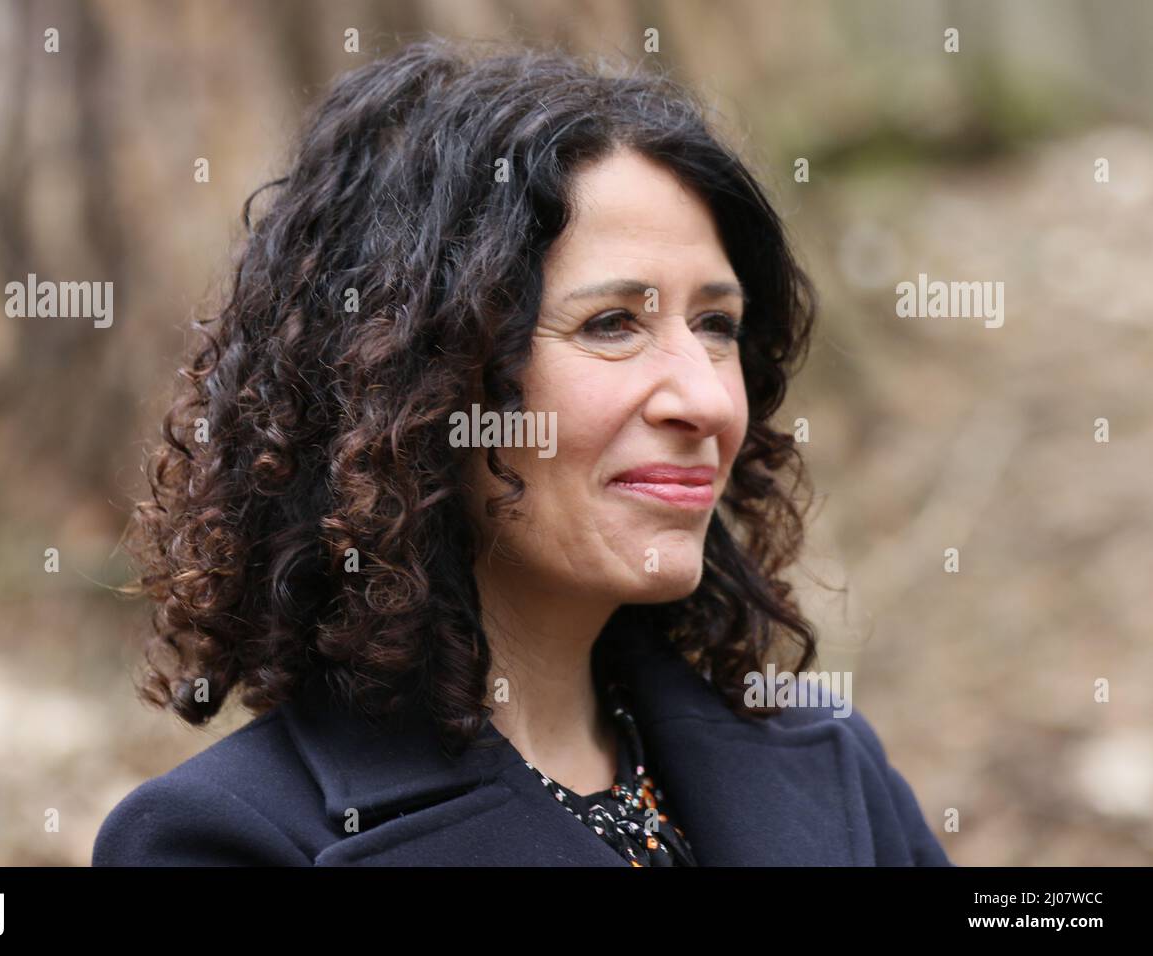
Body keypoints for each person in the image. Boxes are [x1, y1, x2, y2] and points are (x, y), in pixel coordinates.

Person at [93, 37, 953, 867]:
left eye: (716, 325)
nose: (705, 399)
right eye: (612, 323)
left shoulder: (829, 761)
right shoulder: (228, 841)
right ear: (410, 384)